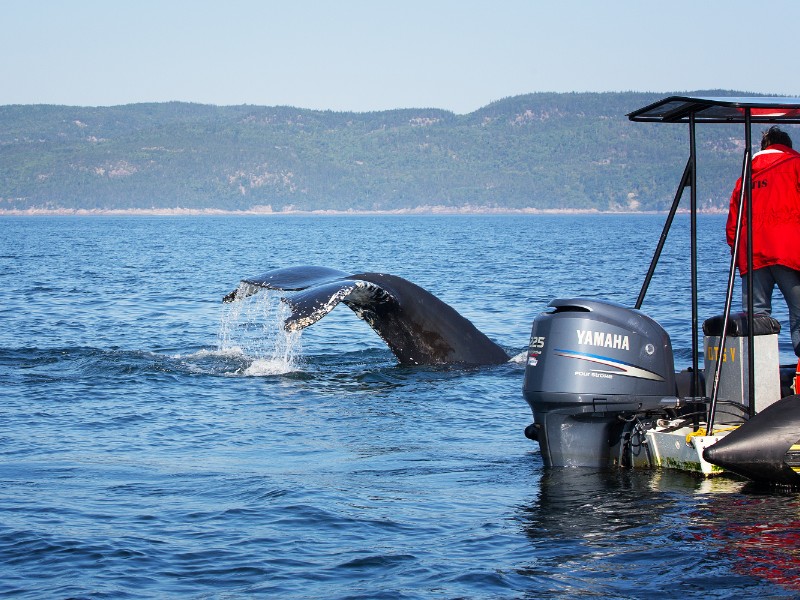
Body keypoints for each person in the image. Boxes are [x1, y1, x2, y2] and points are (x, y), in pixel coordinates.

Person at [726, 125, 800, 386]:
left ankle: (757, 384)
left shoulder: (747, 174)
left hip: (752, 254)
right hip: (790, 252)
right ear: (787, 145)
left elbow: (733, 223)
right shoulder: (795, 165)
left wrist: (740, 252)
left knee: (757, 319)